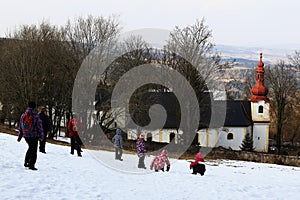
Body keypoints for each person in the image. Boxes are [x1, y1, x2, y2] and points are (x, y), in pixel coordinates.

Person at [17, 101, 44, 170]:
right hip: (34, 135)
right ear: (34, 107)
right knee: (34, 150)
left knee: (30, 147)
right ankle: (31, 165)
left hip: (26, 135)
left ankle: (26, 162)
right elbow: (39, 127)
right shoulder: (35, 116)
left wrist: (20, 136)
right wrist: (41, 136)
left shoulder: (23, 115)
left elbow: (20, 126)